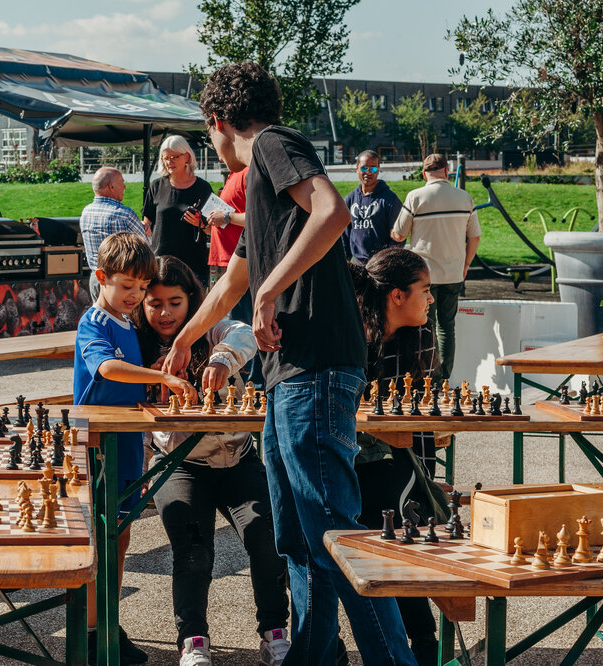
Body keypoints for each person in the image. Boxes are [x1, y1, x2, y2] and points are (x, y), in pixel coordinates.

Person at [166, 61, 417, 665]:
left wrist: (272, 292)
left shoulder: (274, 145)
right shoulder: (260, 188)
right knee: (299, 539)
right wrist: (188, 337)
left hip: (317, 369)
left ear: (217, 123)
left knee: (333, 532)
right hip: (289, 376)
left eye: (211, 137)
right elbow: (237, 278)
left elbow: (333, 213)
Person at [133, 256, 290, 666]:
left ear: (194, 302)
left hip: (238, 458)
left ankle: (274, 633)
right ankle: (193, 640)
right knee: (193, 549)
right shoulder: (138, 344)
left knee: (265, 537)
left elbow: (244, 333)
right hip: (179, 464)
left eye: (175, 301)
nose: (165, 312)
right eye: (154, 303)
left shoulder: (212, 326)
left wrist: (221, 357)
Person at [74, 232, 197, 664]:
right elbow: (105, 368)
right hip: (97, 448)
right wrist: (159, 378)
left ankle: (106, 620)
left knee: (120, 540)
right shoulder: (94, 322)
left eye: (141, 288)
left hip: (125, 445)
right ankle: (91, 632)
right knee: (98, 542)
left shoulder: (126, 322)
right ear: (101, 277)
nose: (136, 296)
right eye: (127, 287)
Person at [348, 248, 450, 664]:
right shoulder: (351, 333)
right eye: (424, 291)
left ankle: (426, 647)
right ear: (396, 296)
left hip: (391, 457)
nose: (430, 300)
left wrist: (425, 483)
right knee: (383, 525)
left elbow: (419, 421)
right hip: (342, 455)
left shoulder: (422, 335)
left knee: (404, 523)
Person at [391, 153, 481, 384]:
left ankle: (424, 376)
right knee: (447, 326)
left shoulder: (416, 197)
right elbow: (475, 237)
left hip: (423, 276)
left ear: (424, 173)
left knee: (424, 325)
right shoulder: (464, 198)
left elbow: (399, 234)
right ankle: (443, 378)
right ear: (447, 172)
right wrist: (466, 264)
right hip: (453, 273)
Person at [205, 166, 262, 388]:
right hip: (224, 262)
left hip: (241, 264)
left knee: (245, 326)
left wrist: (226, 216)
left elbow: (261, 217)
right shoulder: (232, 174)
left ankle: (255, 386)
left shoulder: (249, 173)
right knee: (234, 324)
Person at [143, 135, 214, 285]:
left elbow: (213, 231)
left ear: (187, 156)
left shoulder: (203, 188)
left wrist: (201, 224)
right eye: (165, 158)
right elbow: (147, 222)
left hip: (193, 268)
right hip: (160, 266)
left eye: (174, 157)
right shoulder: (156, 186)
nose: (169, 162)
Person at [80, 167, 149, 301]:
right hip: (122, 282)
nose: (125, 187)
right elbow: (146, 248)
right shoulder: (124, 214)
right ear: (111, 186)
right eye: (122, 182)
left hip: (96, 279)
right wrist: (147, 231)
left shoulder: (86, 212)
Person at [342, 150, 404, 264]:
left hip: (380, 267)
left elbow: (398, 237)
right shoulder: (350, 199)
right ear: (357, 168)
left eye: (373, 168)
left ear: (378, 169)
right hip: (357, 265)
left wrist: (386, 263)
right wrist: (345, 262)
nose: (369, 172)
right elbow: (344, 236)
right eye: (364, 168)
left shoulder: (390, 200)